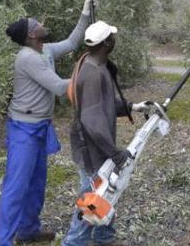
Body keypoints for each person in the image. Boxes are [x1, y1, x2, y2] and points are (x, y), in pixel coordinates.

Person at [0, 0, 95, 246]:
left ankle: (28, 230)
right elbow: (60, 87)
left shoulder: (45, 50)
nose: (41, 23)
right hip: (23, 130)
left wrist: (84, 13)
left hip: (40, 126)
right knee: (16, 186)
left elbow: (72, 43)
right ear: (30, 36)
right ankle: (2, 241)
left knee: (37, 182)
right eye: (36, 23)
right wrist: (94, 76)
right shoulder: (27, 58)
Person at [61, 20, 152, 246]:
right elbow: (92, 120)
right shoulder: (93, 74)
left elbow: (105, 105)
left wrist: (132, 107)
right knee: (91, 199)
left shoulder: (95, 65)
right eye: (112, 37)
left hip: (97, 146)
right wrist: (114, 152)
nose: (115, 39)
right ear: (107, 44)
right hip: (92, 149)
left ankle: (104, 236)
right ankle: (73, 242)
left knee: (109, 189)